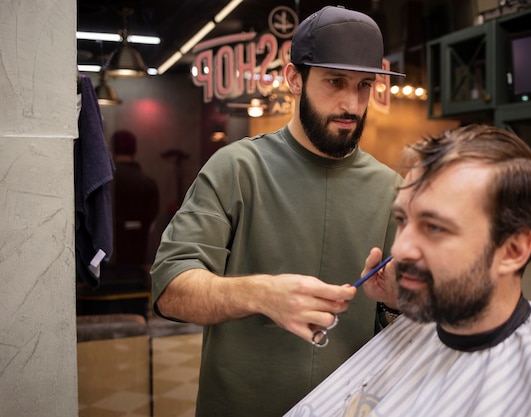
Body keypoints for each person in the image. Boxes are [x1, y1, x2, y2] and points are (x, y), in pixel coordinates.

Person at [150, 6, 403, 417]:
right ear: (293, 79)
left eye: (364, 86)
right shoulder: (235, 168)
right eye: (335, 82)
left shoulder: (393, 190)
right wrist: (261, 294)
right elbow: (169, 289)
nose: (352, 104)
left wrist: (401, 304)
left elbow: (410, 325)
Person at [285, 124, 531, 417]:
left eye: (434, 228)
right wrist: (397, 302)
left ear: (512, 250)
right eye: (403, 220)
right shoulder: (419, 326)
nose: (400, 249)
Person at [110, 130, 159, 286]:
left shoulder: (109, 183)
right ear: (135, 150)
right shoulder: (148, 182)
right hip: (140, 254)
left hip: (111, 258)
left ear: (112, 149)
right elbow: (152, 218)